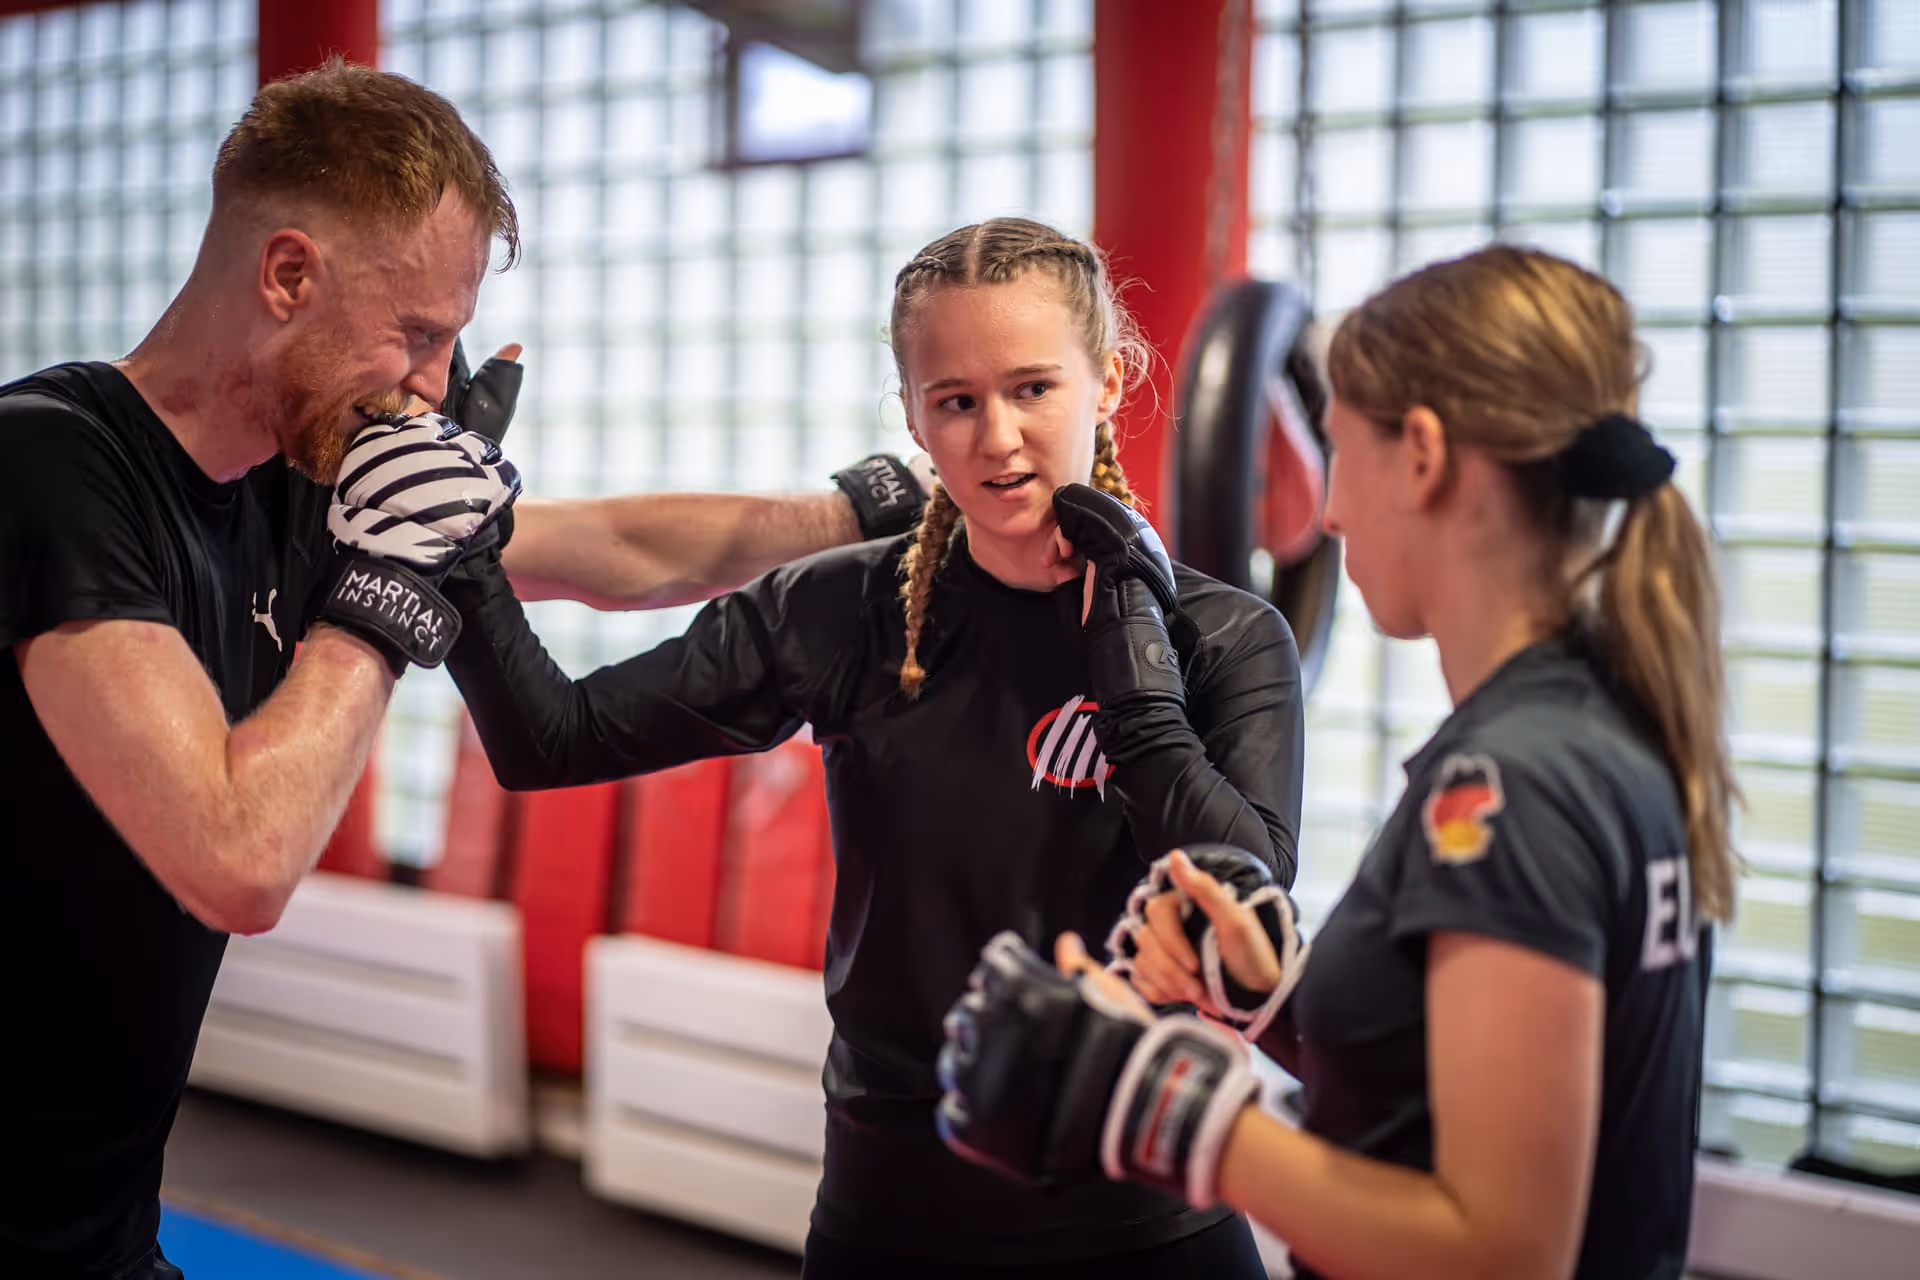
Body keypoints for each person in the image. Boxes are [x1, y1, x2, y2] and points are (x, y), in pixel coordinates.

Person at [0, 60, 929, 1280]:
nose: (437, 386)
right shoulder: (49, 470)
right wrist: (383, 597)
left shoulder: (301, 486)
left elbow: (612, 548)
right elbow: (236, 856)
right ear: (288, 274)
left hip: (94, 1230)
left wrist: (872, 507)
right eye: (418, 334)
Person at [436, 216, 1305, 1278]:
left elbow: (1248, 901)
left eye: (1033, 388)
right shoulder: (850, 609)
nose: (997, 438)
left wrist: (1135, 674)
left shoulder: (1223, 633)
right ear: (913, 415)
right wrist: (464, 545)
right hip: (896, 1212)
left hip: (1152, 1227)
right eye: (957, 401)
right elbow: (552, 739)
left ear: (1109, 379)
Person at [935, 243, 1732, 1280]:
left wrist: (1163, 1097)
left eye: (1341, 448)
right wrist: (1270, 999)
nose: (1332, 511)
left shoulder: (1509, 788)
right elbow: (1463, 1108)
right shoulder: (1597, 731)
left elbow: (1501, 1252)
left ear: (1424, 457)